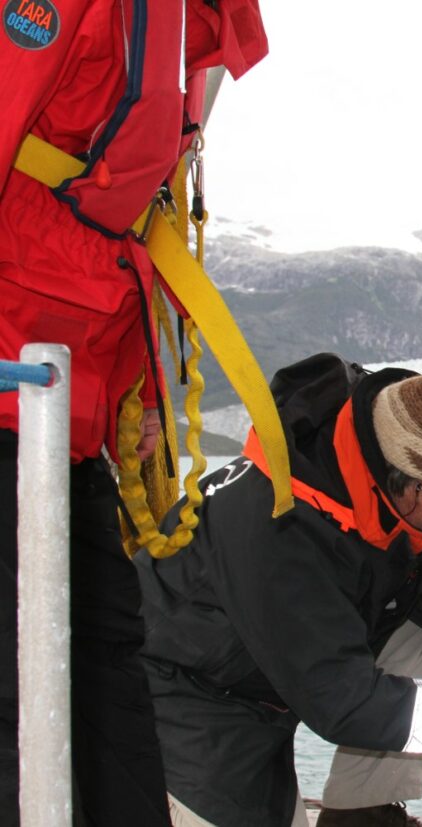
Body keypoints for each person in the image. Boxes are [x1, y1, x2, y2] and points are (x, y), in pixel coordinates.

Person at [134, 352, 422, 827]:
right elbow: (344, 701)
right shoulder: (283, 529)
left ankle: (362, 812)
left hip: (264, 684)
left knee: (420, 615)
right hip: (182, 700)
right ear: (396, 477)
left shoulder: (377, 479)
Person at [1, 2, 268, 823]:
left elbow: (128, 232)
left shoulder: (183, 21)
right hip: (27, 390)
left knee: (101, 660)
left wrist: (136, 391)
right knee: (36, 677)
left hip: (65, 413)